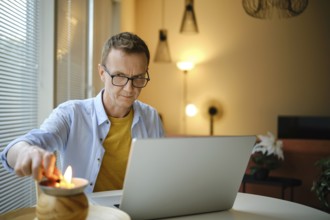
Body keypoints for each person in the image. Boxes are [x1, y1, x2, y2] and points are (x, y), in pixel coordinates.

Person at [0, 32, 165, 193]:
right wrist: (26, 151)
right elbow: (16, 149)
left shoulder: (151, 117)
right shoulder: (71, 114)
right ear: (102, 73)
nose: (130, 89)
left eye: (138, 77)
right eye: (119, 76)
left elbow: (160, 171)